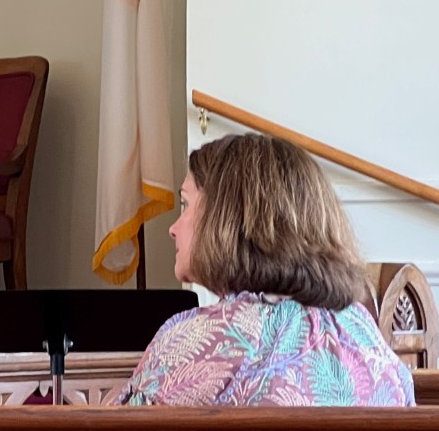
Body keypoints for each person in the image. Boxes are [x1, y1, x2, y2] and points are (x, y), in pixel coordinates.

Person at [114, 133, 414, 407]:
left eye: (185, 204)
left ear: (225, 219)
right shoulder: (364, 332)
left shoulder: (191, 343)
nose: (172, 229)